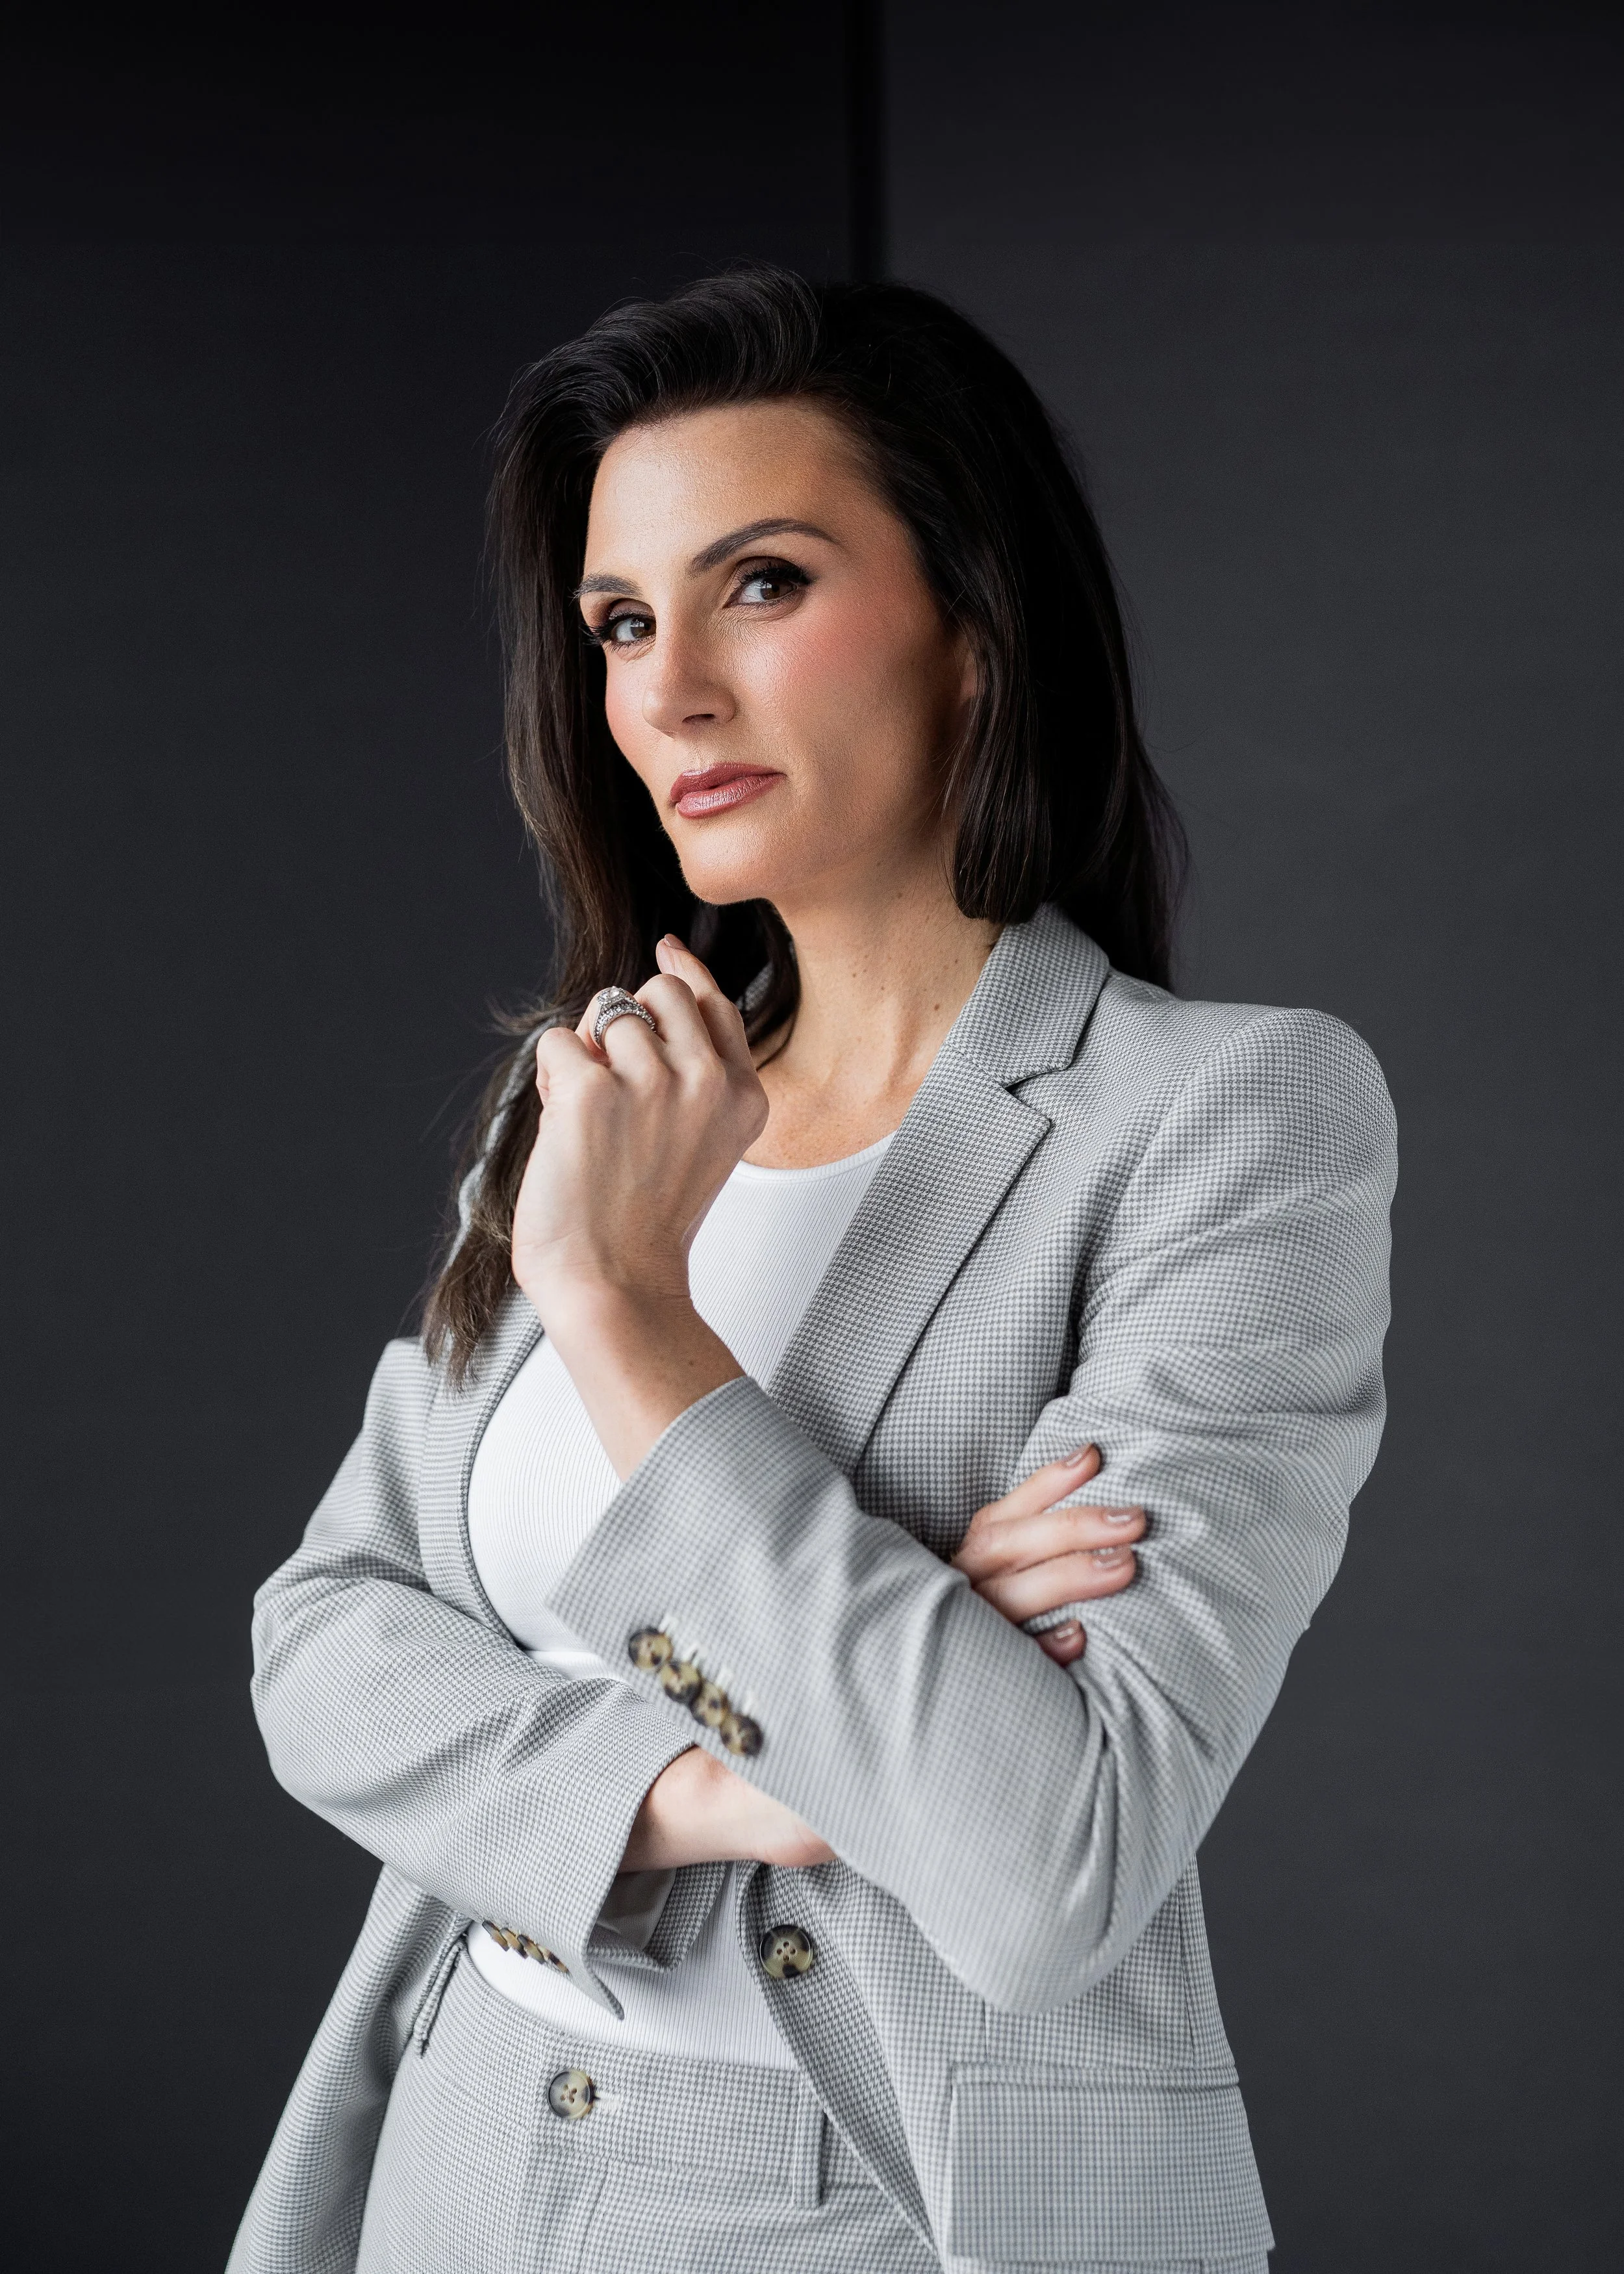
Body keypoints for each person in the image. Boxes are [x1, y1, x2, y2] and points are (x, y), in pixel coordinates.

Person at [229, 268, 1395, 2274]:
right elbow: (324, 1651)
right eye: (616, 621)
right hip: (453, 2162)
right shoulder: (590, 1098)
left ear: (973, 624)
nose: (666, 688)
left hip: (875, 2206)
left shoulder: (1223, 1123)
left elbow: (1041, 1864)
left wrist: (627, 1314)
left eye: (759, 582)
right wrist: (733, 1776)